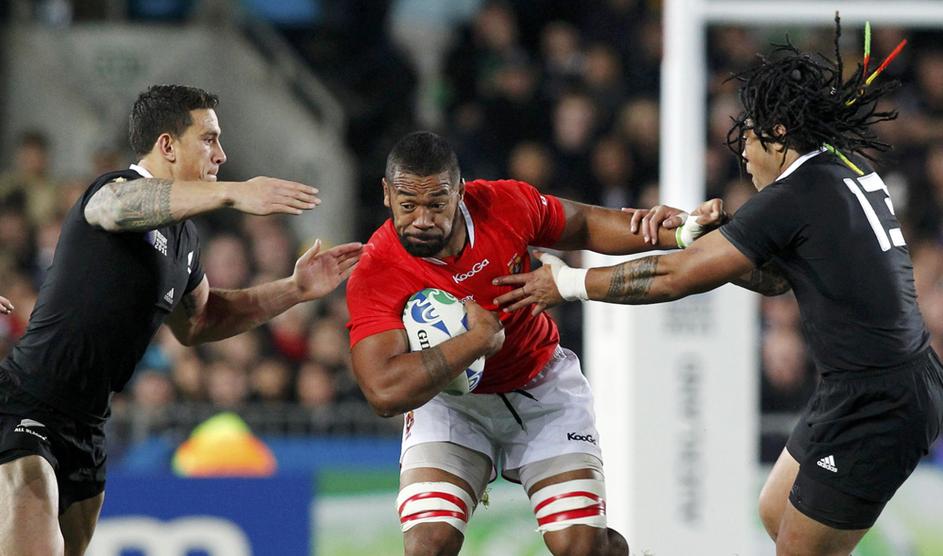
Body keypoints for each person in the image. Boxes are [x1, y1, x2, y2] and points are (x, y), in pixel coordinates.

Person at [494, 21, 943, 556]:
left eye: (748, 137)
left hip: (878, 400)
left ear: (778, 132)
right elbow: (777, 279)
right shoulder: (844, 168)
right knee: (776, 509)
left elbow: (672, 277)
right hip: (869, 383)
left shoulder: (794, 195)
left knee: (800, 550)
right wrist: (723, 236)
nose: (743, 154)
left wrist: (568, 282)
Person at [0, 84, 363, 555]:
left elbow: (202, 320)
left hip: (88, 429)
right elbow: (115, 209)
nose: (221, 154)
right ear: (167, 146)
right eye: (209, 139)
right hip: (27, 404)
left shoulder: (185, 240)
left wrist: (294, 290)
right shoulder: (114, 189)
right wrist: (235, 193)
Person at [345, 131, 722, 556]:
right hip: (450, 406)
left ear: (460, 192)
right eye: (408, 205)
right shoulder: (376, 271)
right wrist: (477, 340)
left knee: (579, 547)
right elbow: (383, 392)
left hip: (540, 387)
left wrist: (680, 235)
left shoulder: (503, 205)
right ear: (387, 194)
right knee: (428, 546)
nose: (422, 220)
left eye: (436, 204)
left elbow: (583, 224)